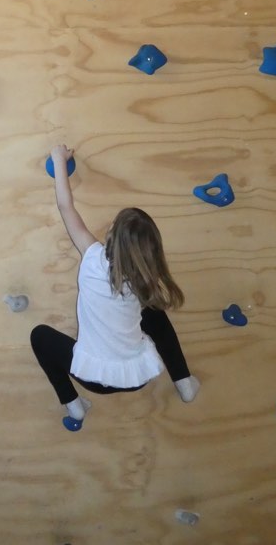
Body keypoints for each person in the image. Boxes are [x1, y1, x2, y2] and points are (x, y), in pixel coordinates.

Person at [31, 145, 200, 430]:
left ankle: (73, 404)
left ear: (110, 236)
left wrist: (59, 159)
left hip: (92, 379)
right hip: (136, 376)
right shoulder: (144, 282)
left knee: (40, 337)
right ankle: (183, 380)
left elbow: (65, 206)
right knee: (156, 316)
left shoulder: (92, 257)